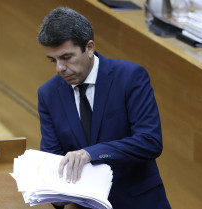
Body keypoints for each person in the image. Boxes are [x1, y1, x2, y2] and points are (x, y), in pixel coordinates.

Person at [37, 7, 171, 209]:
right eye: (53, 60)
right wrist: (56, 195)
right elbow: (53, 157)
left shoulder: (130, 77)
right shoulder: (48, 94)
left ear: (89, 48)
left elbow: (149, 141)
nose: (59, 69)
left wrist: (90, 153)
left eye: (66, 57)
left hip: (137, 201)